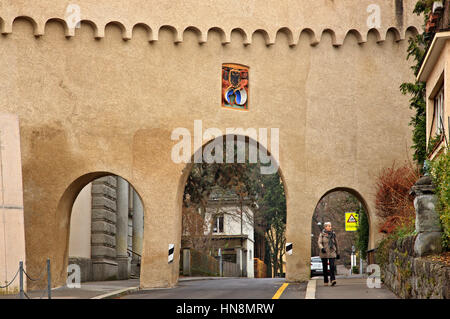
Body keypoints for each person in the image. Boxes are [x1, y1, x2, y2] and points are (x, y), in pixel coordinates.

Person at [318, 222, 339, 286]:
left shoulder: (333, 234)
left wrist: (338, 253)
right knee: (325, 268)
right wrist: (322, 248)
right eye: (329, 226)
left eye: (330, 226)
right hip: (324, 252)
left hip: (332, 252)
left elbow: (336, 244)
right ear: (325, 227)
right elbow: (319, 242)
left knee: (332, 267)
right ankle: (325, 281)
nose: (330, 227)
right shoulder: (322, 234)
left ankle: (333, 280)